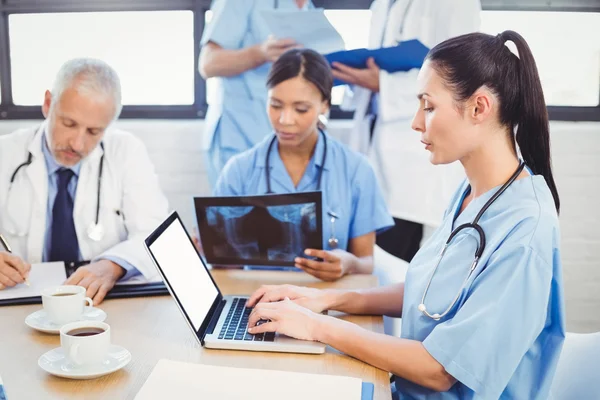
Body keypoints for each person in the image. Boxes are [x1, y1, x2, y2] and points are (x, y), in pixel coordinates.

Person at [245, 31, 565, 399]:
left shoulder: (525, 229)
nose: (416, 122)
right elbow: (432, 294)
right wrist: (326, 301)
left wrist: (318, 326)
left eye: (428, 107)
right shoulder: (473, 194)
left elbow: (440, 370)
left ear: (479, 108)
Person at [212, 48, 394, 281]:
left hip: (330, 301)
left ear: (325, 105)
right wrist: (211, 252)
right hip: (261, 301)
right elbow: (227, 271)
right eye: (276, 105)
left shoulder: (356, 170)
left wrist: (349, 264)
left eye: (301, 109)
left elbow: (366, 261)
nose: (285, 120)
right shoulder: (238, 171)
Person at [0, 58, 169, 304]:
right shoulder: (5, 152)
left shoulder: (127, 152)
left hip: (99, 302)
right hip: (19, 300)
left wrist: (112, 266)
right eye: (69, 124)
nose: (77, 144)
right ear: (48, 104)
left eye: (94, 132)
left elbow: (154, 233)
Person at [333, 0, 481, 262]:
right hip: (375, 141)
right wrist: (359, 77)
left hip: (412, 155)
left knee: (394, 260)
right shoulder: (382, 4)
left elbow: (463, 75)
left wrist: (383, 84)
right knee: (367, 259)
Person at [199, 0, 315, 188]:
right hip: (239, 135)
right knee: (242, 214)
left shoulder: (308, 8)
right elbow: (208, 64)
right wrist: (261, 53)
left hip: (284, 144)